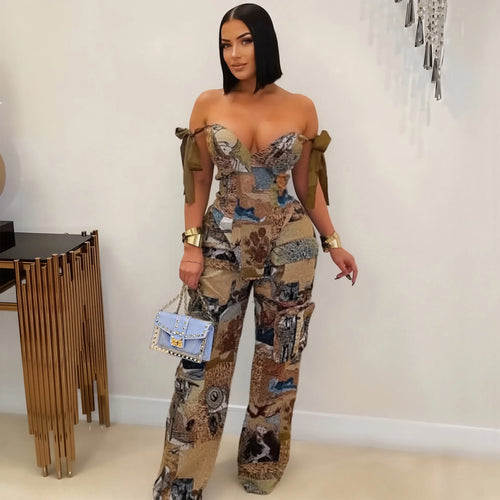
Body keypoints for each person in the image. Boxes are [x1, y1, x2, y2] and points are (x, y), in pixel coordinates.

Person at [154, 3, 358, 499]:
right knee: (201, 361)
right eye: (226, 44)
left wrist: (333, 242)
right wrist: (191, 247)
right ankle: (182, 480)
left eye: (244, 40)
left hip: (290, 248)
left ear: (264, 42)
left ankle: (261, 467)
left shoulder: (301, 106)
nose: (234, 53)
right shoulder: (208, 103)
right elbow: (197, 181)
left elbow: (308, 184)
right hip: (220, 245)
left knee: (279, 361)